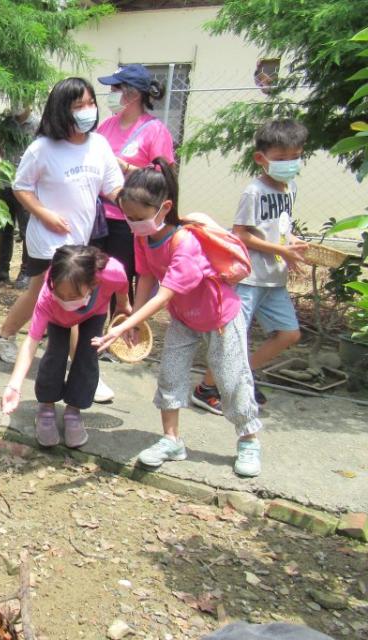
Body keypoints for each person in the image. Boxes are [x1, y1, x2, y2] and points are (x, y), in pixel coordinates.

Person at [92, 158, 264, 477]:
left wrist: (119, 329)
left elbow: (164, 295)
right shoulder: (143, 237)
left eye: (139, 217)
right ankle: (171, 440)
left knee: (231, 380)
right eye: (128, 218)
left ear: (165, 206)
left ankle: (248, 439)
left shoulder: (185, 242)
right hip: (184, 318)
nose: (132, 224)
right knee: (170, 375)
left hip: (220, 318)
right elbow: (145, 277)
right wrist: (133, 316)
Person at [0, 77, 124, 386]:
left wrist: (137, 203)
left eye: (90, 103)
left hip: (79, 238)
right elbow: (21, 187)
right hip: (48, 238)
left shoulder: (99, 145)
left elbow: (113, 188)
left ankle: (1, 337)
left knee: (37, 294)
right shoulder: (42, 148)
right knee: (67, 295)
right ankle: (86, 373)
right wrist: (45, 215)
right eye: (78, 106)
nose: (88, 110)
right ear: (63, 110)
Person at [192, 119, 309, 414]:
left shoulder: (289, 188)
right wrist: (281, 248)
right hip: (248, 277)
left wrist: (292, 245)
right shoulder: (254, 191)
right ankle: (207, 388)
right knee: (232, 338)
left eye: (296, 156)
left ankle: (240, 376)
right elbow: (241, 233)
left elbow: (280, 228)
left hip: (275, 279)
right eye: (282, 159)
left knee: (289, 334)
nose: (290, 163)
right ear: (261, 158)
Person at [0, 245, 130, 448]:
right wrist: (14, 386)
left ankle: (73, 412)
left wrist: (123, 305)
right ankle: (46, 409)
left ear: (93, 284)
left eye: (73, 296)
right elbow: (31, 342)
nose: (66, 300)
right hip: (57, 317)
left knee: (87, 358)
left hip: (94, 313)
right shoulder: (48, 298)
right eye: (61, 293)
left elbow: (122, 287)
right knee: (55, 354)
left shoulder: (112, 272)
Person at [95, 64, 176, 310]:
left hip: (129, 219)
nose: (111, 93)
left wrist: (126, 168)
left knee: (125, 276)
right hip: (101, 215)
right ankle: (103, 335)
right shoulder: (107, 125)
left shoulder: (154, 130)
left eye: (115, 88)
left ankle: (125, 333)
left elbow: (163, 177)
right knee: (103, 276)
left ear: (133, 94)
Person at [0, 106, 40, 289]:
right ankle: (1, 269)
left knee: (26, 231)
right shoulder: (7, 123)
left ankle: (25, 272)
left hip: (27, 186)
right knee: (5, 228)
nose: (18, 104)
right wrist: (10, 159)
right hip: (5, 182)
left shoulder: (37, 125)